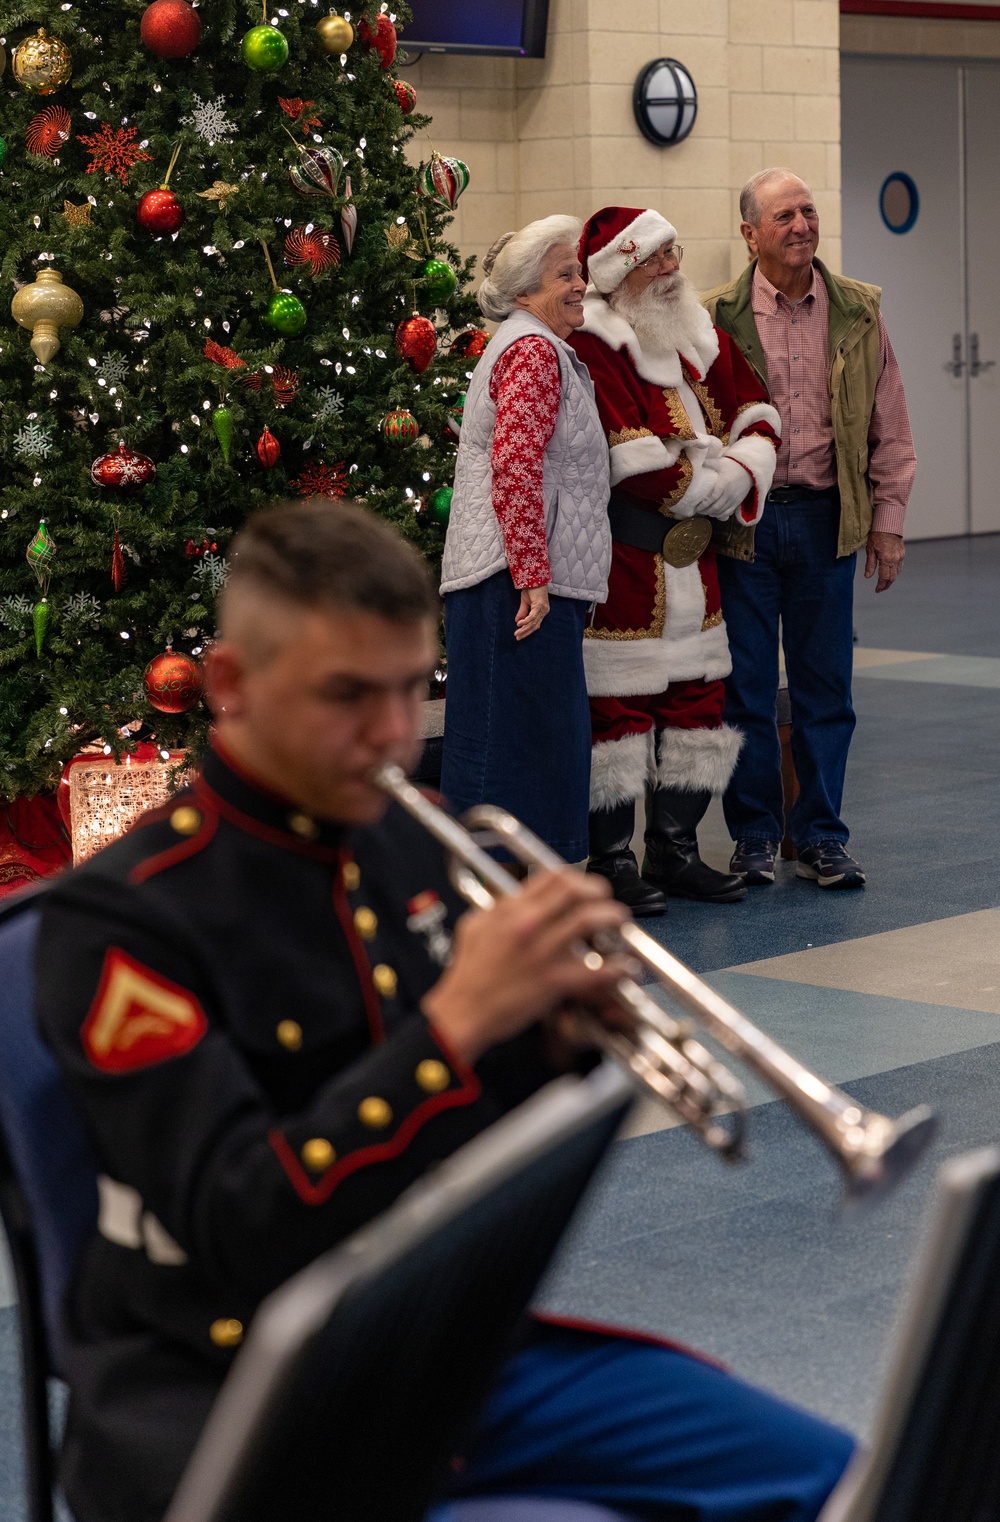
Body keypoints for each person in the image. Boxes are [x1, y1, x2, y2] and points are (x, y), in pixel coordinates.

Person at [34, 500, 854, 1522]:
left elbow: (467, 1161)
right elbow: (252, 1230)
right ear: (232, 686)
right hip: (232, 1401)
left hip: (428, 1352)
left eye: (409, 688)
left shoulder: (401, 843)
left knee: (843, 1477)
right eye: (347, 695)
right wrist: (462, 1024)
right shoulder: (120, 923)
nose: (391, 734)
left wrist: (550, 1038)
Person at [703, 169, 916, 889]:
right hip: (746, 528)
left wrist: (887, 524)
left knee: (828, 693)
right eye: (784, 215)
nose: (801, 225)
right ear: (750, 234)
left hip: (829, 521)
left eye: (808, 211)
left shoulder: (857, 310)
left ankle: (822, 836)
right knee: (747, 692)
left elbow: (891, 426)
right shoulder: (714, 318)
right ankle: (756, 838)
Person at [568, 207, 781, 914]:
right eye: (655, 260)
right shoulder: (598, 344)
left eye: (673, 254)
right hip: (628, 559)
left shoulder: (696, 330)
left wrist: (736, 471)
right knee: (619, 709)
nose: (672, 270)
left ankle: (677, 851)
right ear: (622, 274)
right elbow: (633, 462)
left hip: (698, 562)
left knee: (697, 700)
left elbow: (754, 410)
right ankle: (613, 859)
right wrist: (719, 482)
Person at [440, 215, 611, 863]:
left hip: (524, 576)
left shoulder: (538, 347)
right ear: (522, 294)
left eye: (579, 271)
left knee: (538, 737)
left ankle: (530, 891)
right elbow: (516, 463)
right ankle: (498, 895)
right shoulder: (535, 351)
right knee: (512, 745)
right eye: (564, 274)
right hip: (514, 583)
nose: (580, 284)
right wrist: (532, 574)